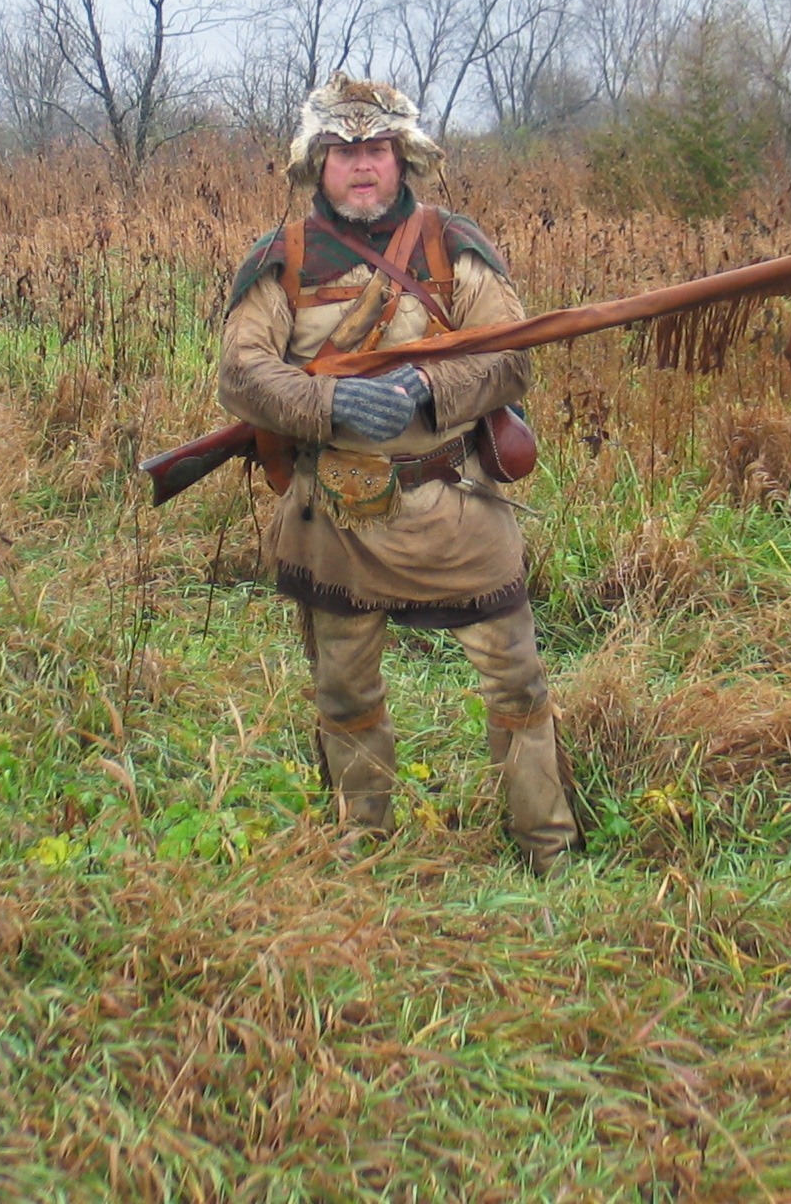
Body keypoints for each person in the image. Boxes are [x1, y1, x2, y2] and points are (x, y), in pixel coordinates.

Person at [218, 75, 579, 874]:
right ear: (317, 163)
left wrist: (427, 386)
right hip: (336, 518)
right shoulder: (282, 259)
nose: (360, 166)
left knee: (517, 685)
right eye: (342, 151)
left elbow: (511, 352)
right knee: (345, 695)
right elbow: (241, 376)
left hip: (456, 504)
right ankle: (361, 850)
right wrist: (332, 402)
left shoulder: (452, 244)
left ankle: (548, 852)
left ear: (402, 158)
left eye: (375, 149)